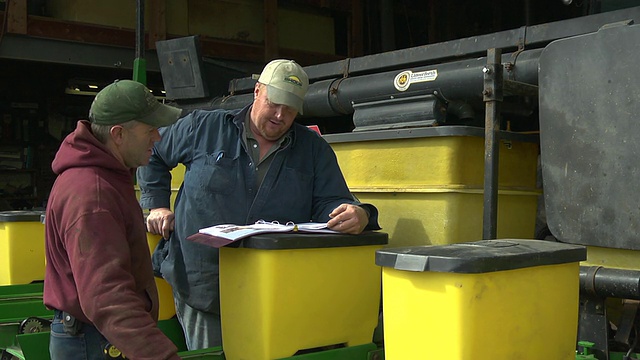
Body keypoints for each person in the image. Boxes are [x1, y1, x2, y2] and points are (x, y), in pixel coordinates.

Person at [137, 59, 380, 350]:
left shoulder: (313, 150)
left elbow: (331, 203)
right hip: (201, 282)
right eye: (274, 103)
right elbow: (152, 154)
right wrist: (157, 204)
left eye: (290, 108)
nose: (280, 115)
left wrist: (360, 214)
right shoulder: (204, 127)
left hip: (274, 291)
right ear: (257, 91)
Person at [44, 80, 184, 360]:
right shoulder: (92, 195)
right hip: (96, 343)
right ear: (118, 134)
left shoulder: (106, 178)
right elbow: (107, 296)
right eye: (149, 129)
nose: (157, 137)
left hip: (100, 337)